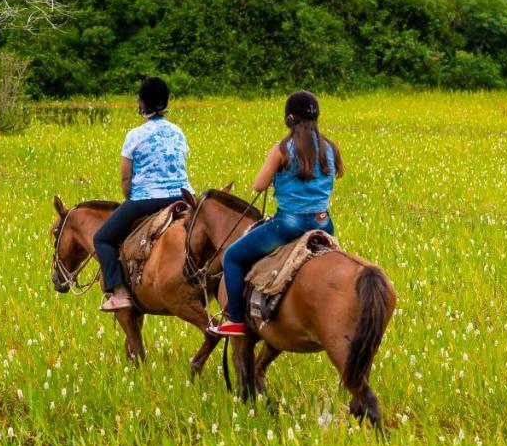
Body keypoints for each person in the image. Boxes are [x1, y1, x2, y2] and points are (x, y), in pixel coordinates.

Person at [214, 90, 342, 336]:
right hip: (323, 223)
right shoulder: (330, 148)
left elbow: (258, 185)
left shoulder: (283, 148)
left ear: (289, 119)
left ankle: (237, 320)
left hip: (289, 224)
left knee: (232, 256)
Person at [92, 77, 192, 313]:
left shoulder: (134, 136)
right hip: (184, 197)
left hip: (147, 198)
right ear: (166, 102)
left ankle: (118, 292)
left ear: (142, 104)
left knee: (102, 239)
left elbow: (126, 179)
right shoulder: (178, 132)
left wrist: (130, 199)